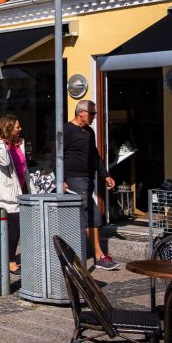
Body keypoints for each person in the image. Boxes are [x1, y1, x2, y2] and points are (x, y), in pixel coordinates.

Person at [63, 99, 118, 270]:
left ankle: (86, 253)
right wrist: (61, 179)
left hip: (88, 179)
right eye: (92, 113)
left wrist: (105, 175)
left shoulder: (89, 132)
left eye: (95, 113)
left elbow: (94, 156)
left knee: (88, 216)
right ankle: (98, 254)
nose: (95, 116)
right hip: (74, 179)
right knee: (92, 213)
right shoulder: (67, 130)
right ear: (81, 113)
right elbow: (56, 156)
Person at [0, 114, 27, 274]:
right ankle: (10, 261)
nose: (20, 129)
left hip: (20, 190)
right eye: (17, 127)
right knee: (13, 229)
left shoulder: (19, 144)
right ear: (9, 128)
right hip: (6, 195)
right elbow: (4, 162)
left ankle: (7, 258)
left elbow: (23, 166)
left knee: (17, 228)